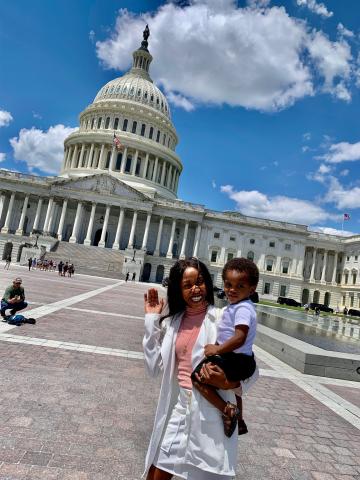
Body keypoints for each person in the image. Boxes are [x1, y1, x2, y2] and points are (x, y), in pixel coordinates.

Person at [143, 258, 258, 480]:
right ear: (179, 289)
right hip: (180, 408)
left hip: (211, 414)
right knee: (156, 473)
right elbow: (153, 368)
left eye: (200, 281)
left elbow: (252, 368)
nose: (196, 289)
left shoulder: (222, 318)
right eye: (187, 285)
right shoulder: (172, 323)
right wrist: (151, 321)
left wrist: (229, 383)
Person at [191, 257, 258, 437]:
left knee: (198, 376)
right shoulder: (236, 306)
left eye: (240, 286)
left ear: (252, 289)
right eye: (228, 285)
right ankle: (241, 420)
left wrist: (216, 349)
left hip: (236, 359)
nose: (232, 290)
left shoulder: (242, 308)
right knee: (235, 390)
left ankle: (227, 409)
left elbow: (239, 338)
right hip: (241, 359)